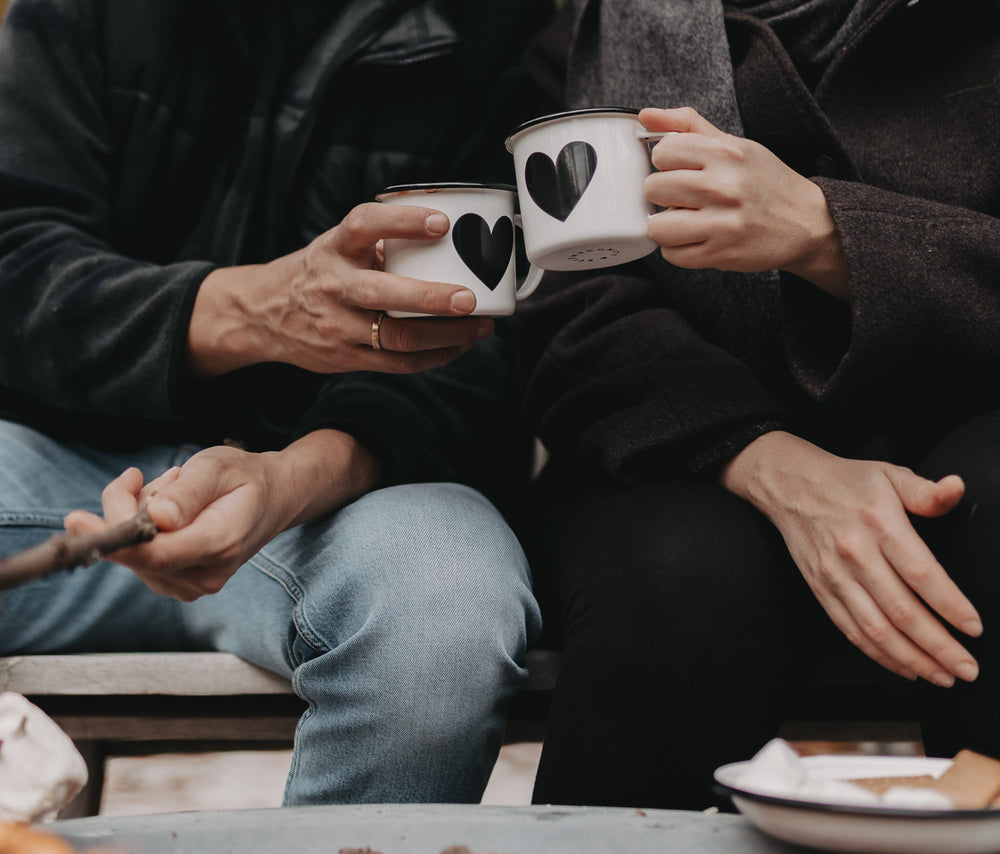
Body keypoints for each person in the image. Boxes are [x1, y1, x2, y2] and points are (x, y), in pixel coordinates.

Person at [0, 0, 553, 805]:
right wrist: (255, 310)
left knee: (446, 607)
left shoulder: (510, 33)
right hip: (60, 473)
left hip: (340, 498)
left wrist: (288, 480)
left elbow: (486, 355)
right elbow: (15, 268)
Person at [513, 0, 1000, 809]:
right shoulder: (596, 30)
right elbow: (563, 306)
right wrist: (769, 463)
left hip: (969, 420)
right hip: (686, 436)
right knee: (676, 576)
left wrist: (829, 234)